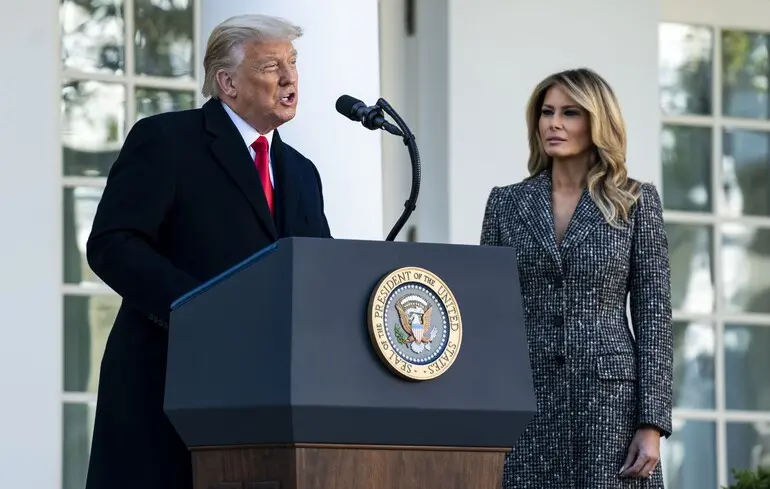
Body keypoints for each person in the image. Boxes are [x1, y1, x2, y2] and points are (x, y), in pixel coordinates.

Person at [84, 14, 331, 489]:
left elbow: (318, 270)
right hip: (164, 391)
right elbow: (112, 243)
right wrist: (201, 309)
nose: (289, 77)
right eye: (271, 66)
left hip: (264, 403)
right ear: (227, 82)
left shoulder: (302, 173)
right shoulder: (167, 141)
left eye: (293, 63)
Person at [480, 68, 673, 488]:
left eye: (570, 113)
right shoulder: (505, 204)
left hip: (610, 404)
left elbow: (654, 316)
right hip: (525, 400)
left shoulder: (634, 202)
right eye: (546, 112)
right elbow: (491, 314)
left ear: (597, 122)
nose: (554, 123)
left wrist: (652, 423)